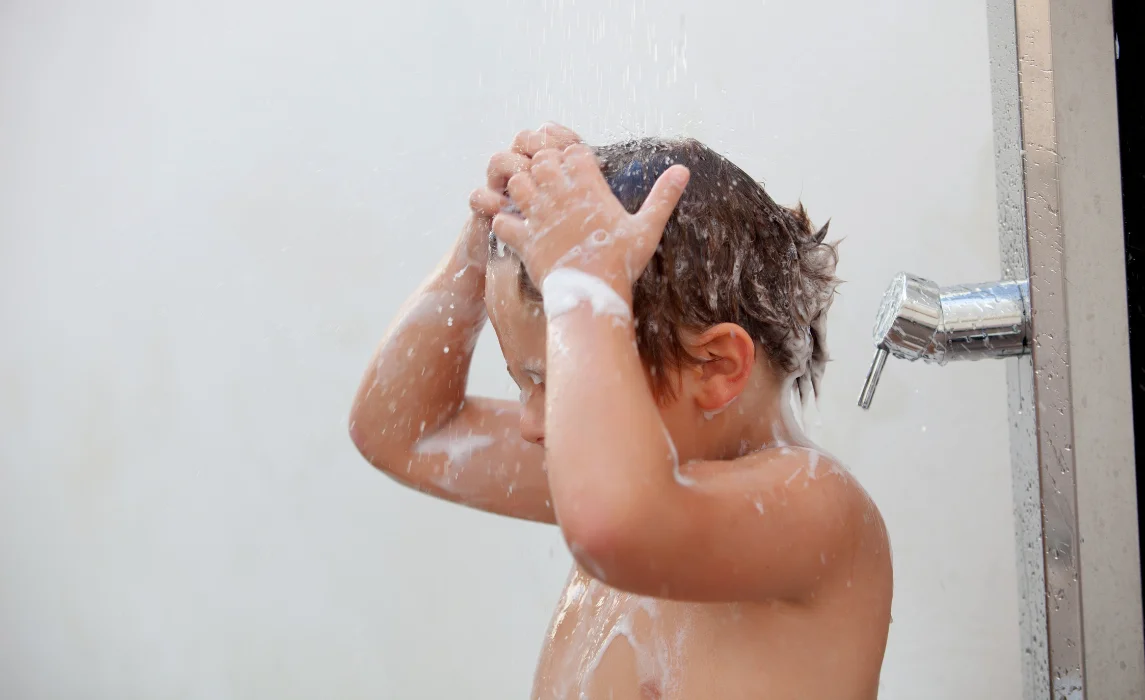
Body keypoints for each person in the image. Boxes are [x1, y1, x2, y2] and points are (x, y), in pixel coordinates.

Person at [349, 122, 892, 699]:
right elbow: (403, 431)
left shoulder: (815, 511)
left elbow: (614, 527)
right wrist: (485, 241)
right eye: (523, 386)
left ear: (715, 366)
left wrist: (586, 282)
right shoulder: (627, 478)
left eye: (555, 383)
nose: (536, 424)